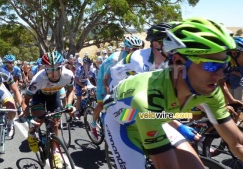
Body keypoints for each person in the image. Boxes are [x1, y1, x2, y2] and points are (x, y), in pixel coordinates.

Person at [103, 18, 243, 169]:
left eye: (224, 65)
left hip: (150, 117)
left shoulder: (209, 89)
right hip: (123, 123)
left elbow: (237, 143)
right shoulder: (147, 99)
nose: (220, 75)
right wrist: (179, 126)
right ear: (178, 62)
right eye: (211, 66)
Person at [23, 51, 74, 169]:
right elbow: (25, 101)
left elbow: (71, 90)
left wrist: (69, 105)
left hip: (54, 95)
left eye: (57, 69)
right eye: (49, 69)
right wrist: (29, 118)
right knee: (39, 119)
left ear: (62, 66)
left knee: (55, 124)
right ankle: (31, 132)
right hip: (39, 96)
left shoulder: (68, 75)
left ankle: (55, 152)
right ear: (44, 68)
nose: (54, 73)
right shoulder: (38, 79)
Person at [90, 36, 143, 141]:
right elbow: (106, 79)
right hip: (104, 78)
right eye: (135, 49)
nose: (138, 51)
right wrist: (108, 93)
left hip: (119, 79)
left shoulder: (136, 58)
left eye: (139, 48)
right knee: (102, 104)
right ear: (127, 49)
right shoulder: (115, 59)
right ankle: (93, 124)